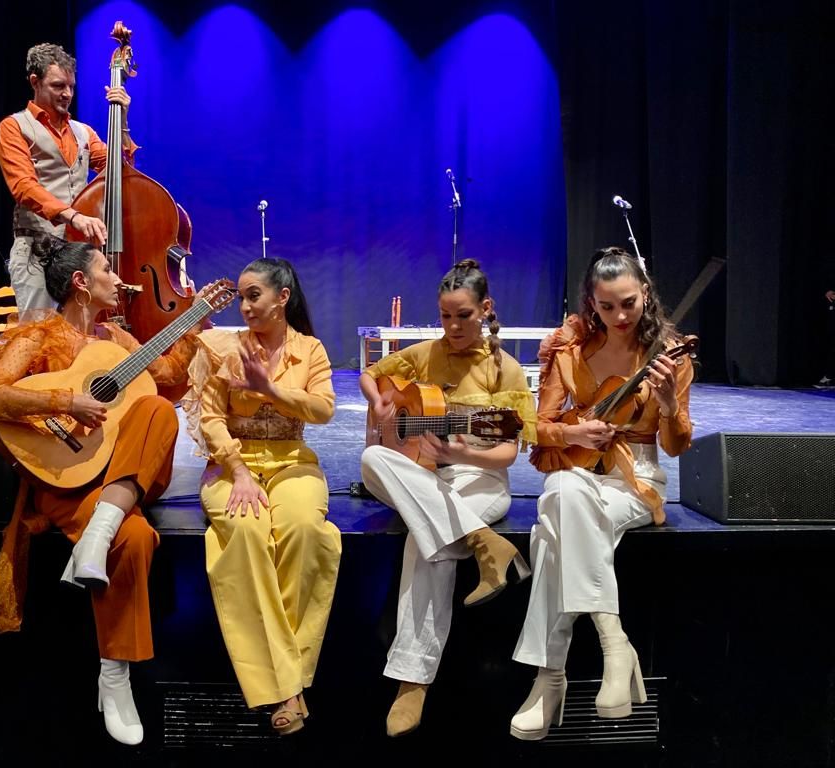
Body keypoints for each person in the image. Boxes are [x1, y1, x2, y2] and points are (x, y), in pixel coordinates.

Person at [0, 235, 202, 746]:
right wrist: (68, 401)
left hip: (119, 472)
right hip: (66, 478)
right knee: (138, 540)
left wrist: (193, 318)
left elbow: (166, 376)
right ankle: (115, 674)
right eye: (107, 270)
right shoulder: (38, 334)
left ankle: (101, 530)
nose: (119, 279)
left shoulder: (116, 339)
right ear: (81, 283)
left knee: (158, 410)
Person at [509, 246, 694, 741]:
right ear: (591, 301)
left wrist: (670, 403)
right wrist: (573, 435)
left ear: (645, 294)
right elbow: (536, 426)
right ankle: (616, 645)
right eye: (606, 306)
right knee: (565, 492)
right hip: (579, 471)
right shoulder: (569, 351)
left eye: (628, 303)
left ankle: (548, 680)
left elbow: (675, 447)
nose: (619, 316)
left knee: (555, 519)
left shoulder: (669, 354)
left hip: (636, 477)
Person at [359, 259, 537, 737]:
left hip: (478, 480)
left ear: (486, 309)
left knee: (425, 540)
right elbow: (371, 373)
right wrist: (380, 402)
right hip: (420, 474)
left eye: (463, 315)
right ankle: (484, 543)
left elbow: (505, 452)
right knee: (374, 459)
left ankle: (412, 682)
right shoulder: (424, 354)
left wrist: (461, 450)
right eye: (445, 316)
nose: (454, 326)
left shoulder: (508, 370)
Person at [182, 257, 341, 735]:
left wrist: (269, 389)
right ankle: (289, 688)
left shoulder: (309, 350)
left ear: (282, 298)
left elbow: (324, 410)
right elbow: (210, 418)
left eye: (254, 295)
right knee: (247, 535)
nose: (245, 305)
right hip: (234, 466)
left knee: (306, 531)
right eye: (243, 296)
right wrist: (238, 469)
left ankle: (282, 674)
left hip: (293, 461)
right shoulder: (224, 349)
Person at [0, 42, 137, 317]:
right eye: (58, 86)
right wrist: (74, 216)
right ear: (35, 82)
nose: (67, 94)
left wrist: (122, 120)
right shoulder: (14, 126)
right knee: (42, 339)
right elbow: (24, 187)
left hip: (77, 253)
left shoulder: (83, 132)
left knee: (83, 339)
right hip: (37, 250)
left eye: (71, 86)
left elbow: (122, 172)